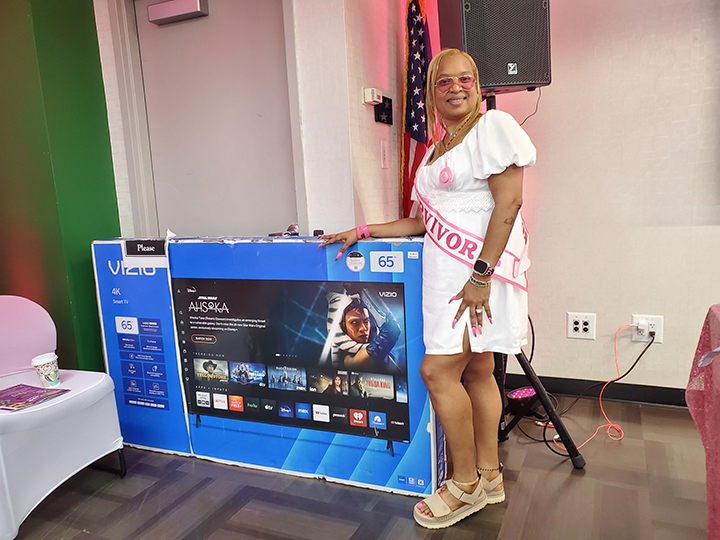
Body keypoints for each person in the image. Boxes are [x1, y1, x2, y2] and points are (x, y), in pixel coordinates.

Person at [320, 48, 536, 529]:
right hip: (446, 276)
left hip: (476, 276)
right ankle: (490, 476)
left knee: (437, 373)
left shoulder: (492, 129)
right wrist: (364, 230)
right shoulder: (438, 148)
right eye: (444, 81)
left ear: (478, 86)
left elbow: (510, 203)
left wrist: (480, 277)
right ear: (431, 92)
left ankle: (464, 485)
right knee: (477, 370)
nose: (456, 87)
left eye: (465, 79)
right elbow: (420, 222)